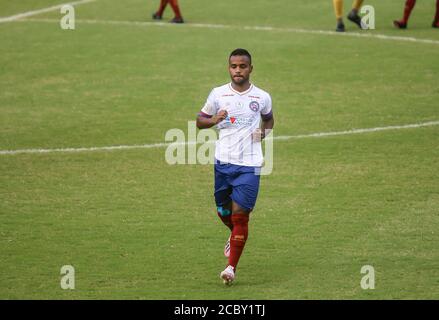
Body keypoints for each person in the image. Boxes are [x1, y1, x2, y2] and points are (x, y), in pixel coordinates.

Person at [196, 49, 274, 285]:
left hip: (249, 165)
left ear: (251, 68)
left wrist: (264, 133)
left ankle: (231, 268)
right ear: (228, 68)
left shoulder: (261, 97)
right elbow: (200, 121)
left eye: (242, 66)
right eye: (234, 66)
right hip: (222, 162)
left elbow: (268, 118)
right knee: (223, 211)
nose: (238, 70)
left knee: (241, 216)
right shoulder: (218, 94)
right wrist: (213, 120)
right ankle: (234, 235)